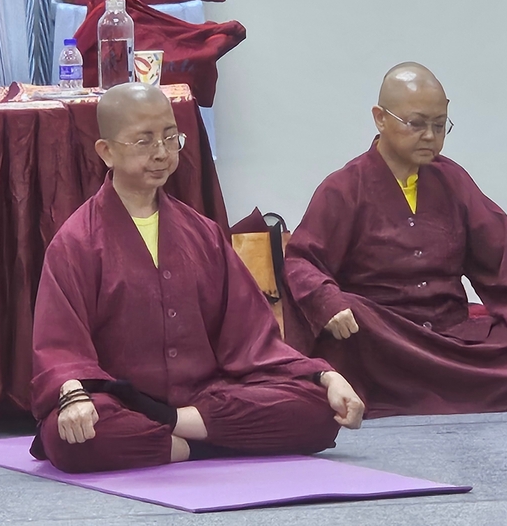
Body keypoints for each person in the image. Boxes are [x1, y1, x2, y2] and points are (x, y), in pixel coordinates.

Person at [30, 83, 364, 473]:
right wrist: (73, 394)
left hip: (205, 398)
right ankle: (209, 444)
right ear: (106, 152)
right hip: (120, 401)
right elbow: (60, 346)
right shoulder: (76, 241)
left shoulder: (203, 234)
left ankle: (173, 433)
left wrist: (324, 376)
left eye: (170, 138)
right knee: (72, 437)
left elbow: (254, 338)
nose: (161, 153)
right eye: (144, 141)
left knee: (318, 411)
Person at [281, 63, 507, 419]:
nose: (430, 136)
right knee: (350, 326)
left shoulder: (452, 180)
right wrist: (328, 302)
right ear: (380, 118)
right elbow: (301, 260)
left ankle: (438, 384)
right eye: (416, 124)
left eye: (439, 125)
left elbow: (504, 249)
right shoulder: (343, 188)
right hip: (384, 336)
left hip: (450, 331)